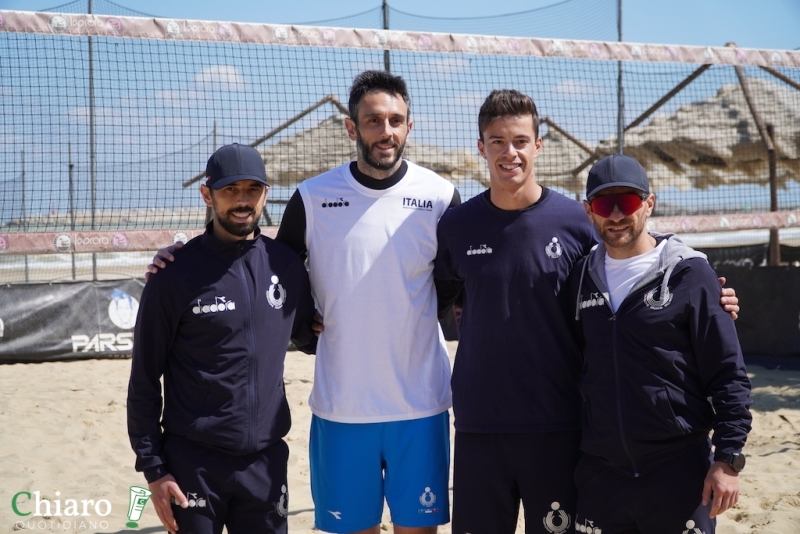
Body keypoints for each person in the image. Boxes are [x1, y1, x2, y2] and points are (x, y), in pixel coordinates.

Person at [148, 71, 460, 534]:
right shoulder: (314, 197)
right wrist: (179, 255)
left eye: (396, 120)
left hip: (421, 404)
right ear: (352, 128)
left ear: (409, 127)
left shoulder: (439, 196)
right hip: (341, 407)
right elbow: (266, 261)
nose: (386, 131)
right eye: (373, 120)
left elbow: (460, 276)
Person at [433, 89, 740, 534]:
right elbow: (434, 297)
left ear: (538, 146)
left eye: (520, 140)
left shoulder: (577, 222)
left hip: (561, 425)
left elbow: (634, 253)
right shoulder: (457, 226)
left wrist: (712, 290)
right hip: (480, 423)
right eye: (497, 141)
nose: (509, 152)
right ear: (481, 147)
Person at [127, 143, 318, 534]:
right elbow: (144, 380)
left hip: (265, 462)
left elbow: (311, 337)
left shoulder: (286, 265)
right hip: (192, 465)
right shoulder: (173, 275)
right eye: (231, 190)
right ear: (207, 195)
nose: (243, 201)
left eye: (253, 189)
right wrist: (154, 469)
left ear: (266, 194)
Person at [566, 154, 752, 534]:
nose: (617, 214)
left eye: (629, 202)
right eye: (604, 203)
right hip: (602, 474)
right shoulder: (580, 278)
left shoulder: (690, 273)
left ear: (649, 203)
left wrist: (728, 460)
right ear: (589, 211)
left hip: (678, 469)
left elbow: (728, 373)